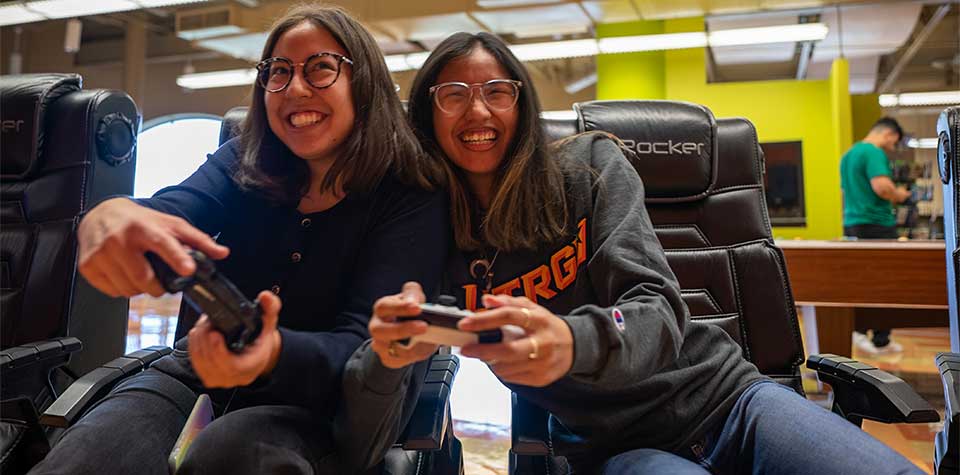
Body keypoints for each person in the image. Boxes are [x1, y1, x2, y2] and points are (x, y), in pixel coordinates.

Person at [342, 32, 926, 475]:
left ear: (521, 106)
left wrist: (571, 341)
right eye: (454, 95)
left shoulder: (588, 169)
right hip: (618, 447)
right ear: (425, 113)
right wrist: (389, 355)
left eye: (498, 91)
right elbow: (380, 401)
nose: (478, 112)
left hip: (729, 399)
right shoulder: (421, 228)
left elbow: (658, 307)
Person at [29, 4, 448, 475]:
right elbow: (172, 209)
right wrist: (113, 213)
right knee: (87, 454)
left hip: (328, 405)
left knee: (232, 455)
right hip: (200, 374)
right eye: (278, 71)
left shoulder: (411, 195)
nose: (295, 88)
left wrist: (271, 354)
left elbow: (361, 348)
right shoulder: (244, 159)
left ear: (363, 83)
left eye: (321, 69)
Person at [841, 117, 911, 355]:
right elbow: (882, 187)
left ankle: (861, 331)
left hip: (852, 223)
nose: (893, 147)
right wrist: (900, 194)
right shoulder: (873, 152)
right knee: (886, 281)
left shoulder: (848, 155)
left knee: (860, 279)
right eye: (895, 143)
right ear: (889, 134)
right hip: (876, 224)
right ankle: (880, 339)